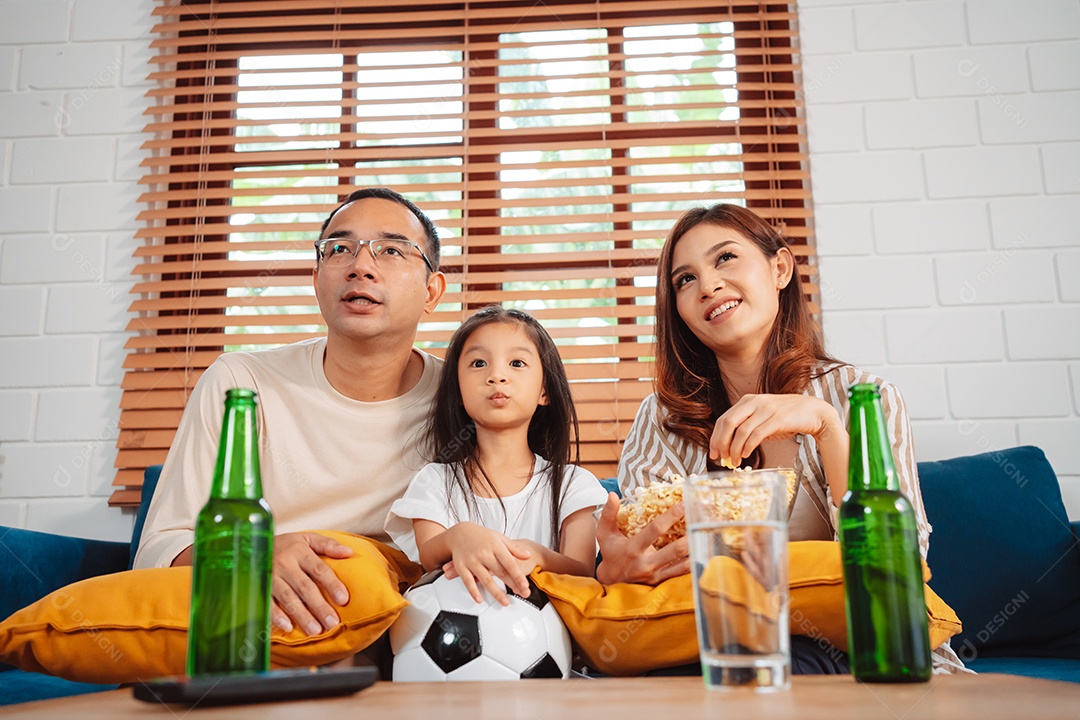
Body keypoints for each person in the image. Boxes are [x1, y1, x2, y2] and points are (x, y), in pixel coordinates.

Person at [595, 203, 966, 673]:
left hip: (859, 649)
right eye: (685, 279)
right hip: (710, 647)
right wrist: (615, 569)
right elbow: (649, 571)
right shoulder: (660, 419)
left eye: (725, 257)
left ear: (780, 269)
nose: (707, 286)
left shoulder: (862, 398)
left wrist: (826, 426)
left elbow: (897, 564)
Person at [134, 187, 447, 640]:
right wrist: (253, 558)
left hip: (407, 633)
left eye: (391, 250)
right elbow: (159, 547)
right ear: (316, 279)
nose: (360, 266)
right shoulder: (242, 383)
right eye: (339, 249)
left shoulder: (464, 398)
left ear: (431, 291)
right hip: (258, 624)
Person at [385, 306, 608, 606]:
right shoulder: (434, 480)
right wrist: (459, 536)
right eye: (479, 363)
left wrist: (538, 555)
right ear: (458, 391)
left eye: (517, 363)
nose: (496, 376)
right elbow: (429, 555)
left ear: (544, 391)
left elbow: (582, 573)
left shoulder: (573, 484)